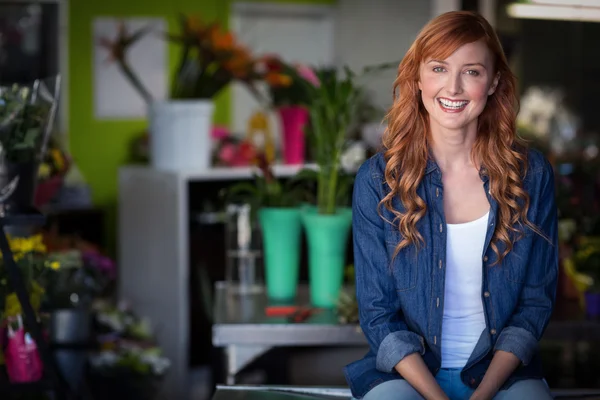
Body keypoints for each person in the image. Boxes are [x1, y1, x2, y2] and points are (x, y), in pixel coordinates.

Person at [345, 11, 558, 400]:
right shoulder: (378, 181)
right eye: (439, 68)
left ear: (493, 82)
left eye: (472, 72)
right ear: (418, 78)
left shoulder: (531, 176)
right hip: (408, 375)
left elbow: (534, 302)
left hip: (502, 375)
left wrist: (484, 393)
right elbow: (378, 313)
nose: (454, 87)